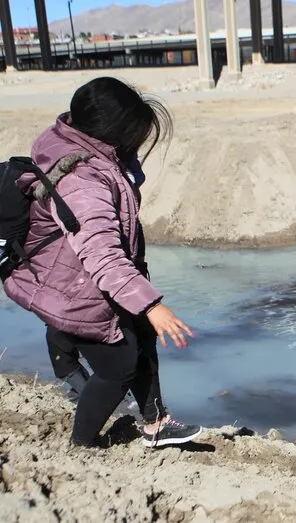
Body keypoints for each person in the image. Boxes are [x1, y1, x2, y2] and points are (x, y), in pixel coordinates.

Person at [3, 77, 201, 448]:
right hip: (72, 287)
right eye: (133, 134)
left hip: (75, 276)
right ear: (111, 132)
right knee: (119, 366)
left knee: (141, 335)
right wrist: (153, 305)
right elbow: (102, 255)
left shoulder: (83, 145)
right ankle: (82, 444)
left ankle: (155, 423)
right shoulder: (83, 180)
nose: (138, 142)